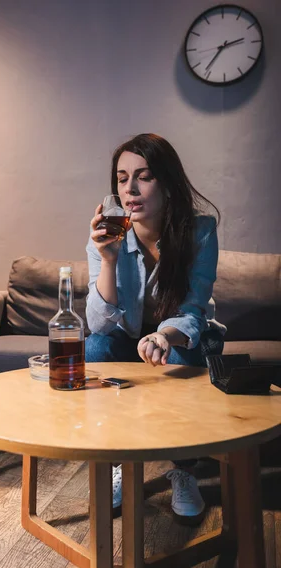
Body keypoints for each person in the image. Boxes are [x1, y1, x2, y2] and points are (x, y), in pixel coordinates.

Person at [85, 133, 226, 522]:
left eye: (143, 176)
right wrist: (110, 260)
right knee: (95, 349)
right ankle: (116, 459)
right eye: (121, 177)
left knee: (180, 354)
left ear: (166, 182)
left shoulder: (199, 231)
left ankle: (183, 468)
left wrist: (163, 334)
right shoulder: (105, 237)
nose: (130, 188)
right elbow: (97, 324)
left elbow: (194, 311)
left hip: (178, 337)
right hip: (127, 338)